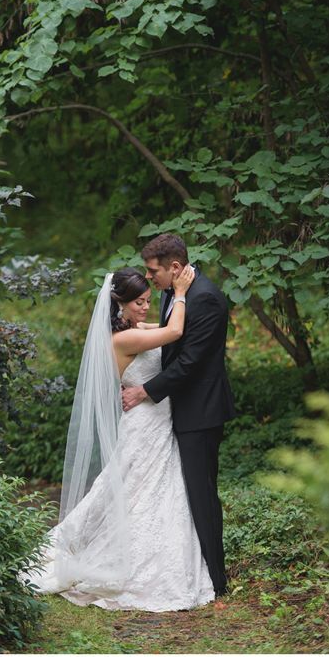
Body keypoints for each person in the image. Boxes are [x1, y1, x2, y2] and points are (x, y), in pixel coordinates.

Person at [24, 265, 217, 611]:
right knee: (133, 487)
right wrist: (182, 293)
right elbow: (174, 332)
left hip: (157, 419)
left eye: (147, 300)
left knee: (147, 488)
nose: (146, 307)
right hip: (144, 422)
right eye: (140, 303)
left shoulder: (135, 328)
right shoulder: (124, 338)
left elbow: (178, 330)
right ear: (121, 305)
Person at [120, 234, 236, 598]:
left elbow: (189, 362)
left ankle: (216, 581)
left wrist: (145, 390)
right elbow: (170, 338)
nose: (149, 278)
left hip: (200, 411)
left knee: (202, 494)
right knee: (184, 494)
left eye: (153, 271)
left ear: (174, 267)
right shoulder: (177, 291)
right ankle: (193, 568)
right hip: (177, 409)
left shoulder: (206, 299)